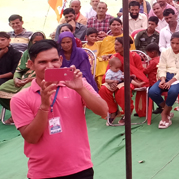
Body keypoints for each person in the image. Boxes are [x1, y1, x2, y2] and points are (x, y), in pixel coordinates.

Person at [11, 40, 108, 179]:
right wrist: (44, 106)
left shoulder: (77, 84)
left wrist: (80, 89)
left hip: (80, 169)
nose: (50, 66)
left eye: (54, 60)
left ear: (61, 60)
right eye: (42, 62)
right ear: (31, 65)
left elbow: (103, 111)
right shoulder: (20, 99)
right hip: (42, 173)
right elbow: (31, 138)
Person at [100, 37, 148, 125]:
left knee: (122, 90)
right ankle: (113, 111)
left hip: (129, 80)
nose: (115, 47)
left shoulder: (135, 56)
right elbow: (108, 72)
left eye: (117, 45)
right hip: (113, 81)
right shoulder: (114, 57)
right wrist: (111, 83)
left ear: (124, 46)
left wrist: (128, 76)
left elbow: (140, 72)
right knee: (103, 89)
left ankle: (127, 112)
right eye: (115, 44)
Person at [148, 32, 179, 129]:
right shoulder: (165, 52)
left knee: (173, 91)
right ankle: (167, 109)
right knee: (152, 91)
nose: (174, 46)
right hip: (166, 77)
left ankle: (164, 114)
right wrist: (162, 80)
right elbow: (161, 67)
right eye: (172, 43)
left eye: (177, 43)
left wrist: (170, 82)